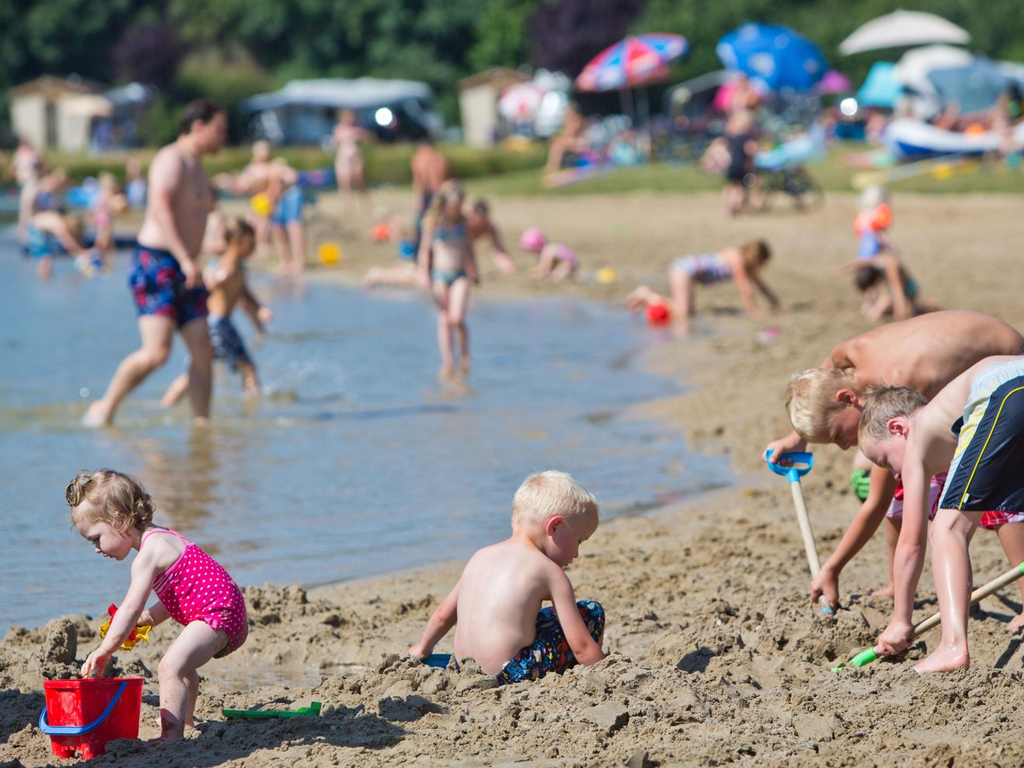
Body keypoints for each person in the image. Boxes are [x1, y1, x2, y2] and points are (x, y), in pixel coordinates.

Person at [763, 311, 1024, 613]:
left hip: (1009, 369)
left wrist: (832, 568)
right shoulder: (853, 353)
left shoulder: (897, 389)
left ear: (847, 398)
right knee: (902, 491)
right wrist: (797, 438)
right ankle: (895, 583)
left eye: (837, 436)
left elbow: (876, 502)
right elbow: (826, 368)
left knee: (990, 488)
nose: (845, 447)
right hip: (986, 372)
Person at [858, 356, 1024, 671]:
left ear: (898, 429)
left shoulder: (917, 438)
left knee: (947, 529)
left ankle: (952, 646)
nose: (895, 475)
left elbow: (911, 543)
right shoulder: (951, 417)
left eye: (886, 462)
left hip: (1005, 390)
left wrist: (900, 619)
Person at [67, 469, 247, 739]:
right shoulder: (162, 537)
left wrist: (106, 649)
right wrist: (149, 619)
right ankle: (186, 724)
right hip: (226, 611)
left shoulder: (148, 555)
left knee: (169, 667)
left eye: (96, 538)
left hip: (218, 615)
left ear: (119, 520)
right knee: (184, 669)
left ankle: (170, 738)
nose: (96, 548)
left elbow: (130, 608)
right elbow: (182, 594)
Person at [83, 99, 226, 428]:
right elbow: (160, 208)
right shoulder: (171, 159)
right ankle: (105, 408)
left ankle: (202, 427)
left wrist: (200, 256)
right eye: (220, 129)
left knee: (202, 348)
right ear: (198, 126)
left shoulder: (198, 167)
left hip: (187, 265)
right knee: (157, 353)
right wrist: (185, 258)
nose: (224, 137)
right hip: (158, 262)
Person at [409, 471, 605, 683]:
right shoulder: (550, 571)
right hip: (510, 674)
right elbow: (581, 646)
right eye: (579, 541)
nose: (577, 554)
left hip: (463, 668)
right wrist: (608, 672)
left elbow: (442, 615)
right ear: (554, 527)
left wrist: (423, 648)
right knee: (591, 611)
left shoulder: (480, 556)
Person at [161, 218, 271, 405]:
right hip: (219, 325)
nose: (253, 249)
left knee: (198, 369)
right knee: (248, 368)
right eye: (251, 244)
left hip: (215, 324)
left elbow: (244, 294)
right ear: (237, 241)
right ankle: (254, 409)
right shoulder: (227, 268)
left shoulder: (236, 267)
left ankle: (166, 404)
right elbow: (209, 286)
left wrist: (259, 310)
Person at [625, 239, 779, 324]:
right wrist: (752, 310)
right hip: (684, 269)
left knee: (686, 313)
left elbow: (761, 285)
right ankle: (647, 294)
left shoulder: (747, 266)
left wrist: (775, 302)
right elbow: (744, 287)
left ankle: (649, 297)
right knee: (683, 313)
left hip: (689, 273)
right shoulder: (737, 258)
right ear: (757, 258)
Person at [418, 180, 479, 378]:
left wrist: (474, 270)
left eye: (459, 204)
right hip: (439, 275)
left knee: (457, 318)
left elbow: (469, 249)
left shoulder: (463, 222)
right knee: (444, 319)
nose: (456, 208)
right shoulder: (432, 222)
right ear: (444, 203)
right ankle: (448, 361)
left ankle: (465, 356)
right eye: (454, 204)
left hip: (460, 275)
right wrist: (424, 274)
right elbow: (425, 251)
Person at [25, 210, 99, 279]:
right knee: (45, 257)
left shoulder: (59, 221)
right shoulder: (59, 224)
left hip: (35, 228)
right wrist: (82, 252)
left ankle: (44, 277)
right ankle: (43, 278)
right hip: (33, 230)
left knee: (47, 256)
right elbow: (67, 241)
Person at [722, 110, 763, 217]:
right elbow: (750, 150)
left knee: (730, 186)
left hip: (731, 165)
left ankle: (728, 209)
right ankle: (738, 206)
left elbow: (725, 148)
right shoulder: (746, 138)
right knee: (740, 187)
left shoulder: (731, 138)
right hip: (741, 166)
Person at [332, 109, 371, 212]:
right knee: (344, 182)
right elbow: (334, 142)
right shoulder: (338, 129)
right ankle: (347, 205)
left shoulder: (357, 128)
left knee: (360, 181)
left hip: (355, 158)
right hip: (343, 159)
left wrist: (360, 135)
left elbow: (368, 139)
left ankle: (364, 202)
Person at [543, 103, 588, 174]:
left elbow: (571, 135)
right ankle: (552, 165)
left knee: (557, 146)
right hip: (574, 141)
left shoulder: (576, 120)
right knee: (557, 144)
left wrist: (557, 139)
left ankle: (553, 165)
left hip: (580, 142)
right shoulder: (568, 122)